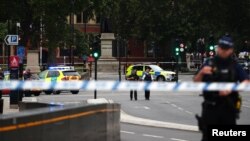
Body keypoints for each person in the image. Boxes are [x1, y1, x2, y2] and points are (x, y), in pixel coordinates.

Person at [193, 35, 249, 141]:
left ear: (231, 50)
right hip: (210, 107)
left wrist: (231, 89)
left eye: (226, 49)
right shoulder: (209, 63)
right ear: (218, 48)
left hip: (228, 107)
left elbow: (246, 81)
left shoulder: (234, 65)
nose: (223, 51)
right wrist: (201, 73)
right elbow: (196, 82)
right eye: (221, 48)